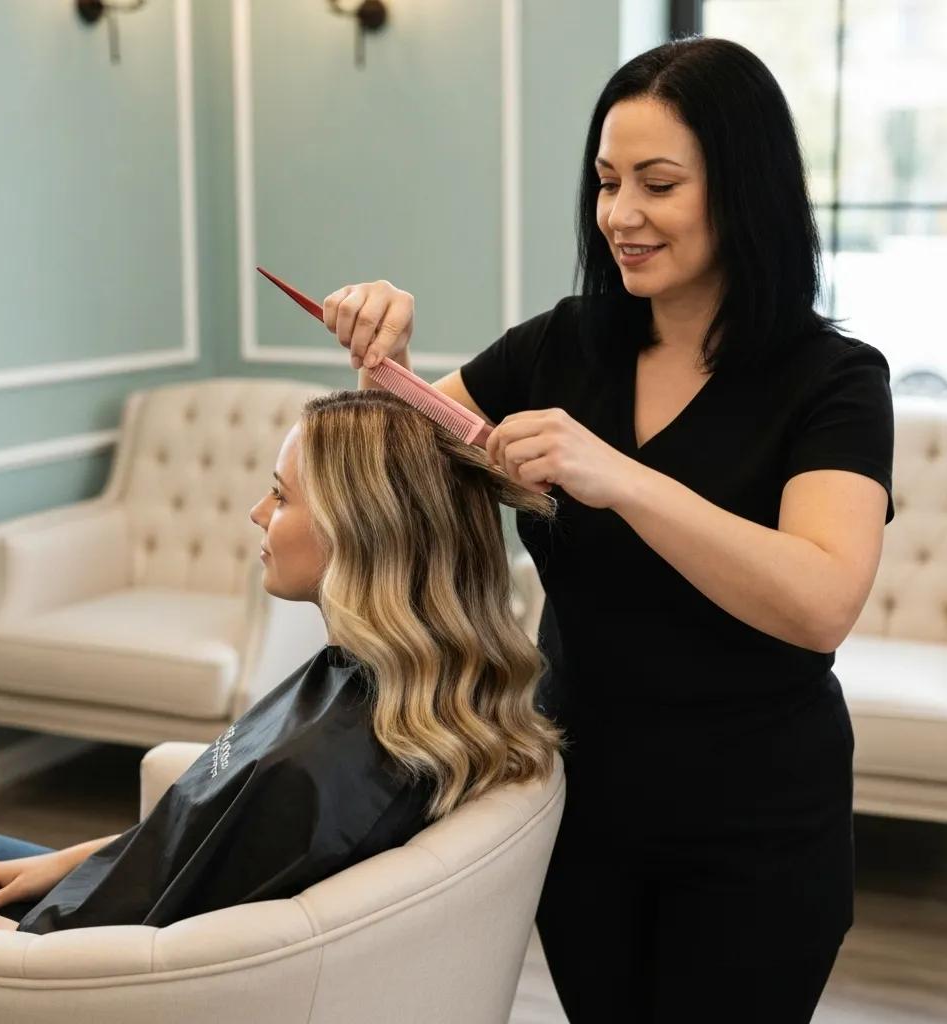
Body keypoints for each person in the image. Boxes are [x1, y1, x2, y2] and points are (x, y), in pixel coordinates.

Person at [319, 36, 895, 1024]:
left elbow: (819, 601)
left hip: (758, 825)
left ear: (744, 188)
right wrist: (391, 369)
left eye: (657, 184)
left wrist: (620, 478)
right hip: (581, 802)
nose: (620, 214)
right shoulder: (564, 342)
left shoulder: (834, 381)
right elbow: (397, 472)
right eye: (606, 181)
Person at [0, 389, 563, 933]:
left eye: (281, 496)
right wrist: (72, 860)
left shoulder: (310, 775)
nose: (257, 512)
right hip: (93, 892)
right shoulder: (406, 694)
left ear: (358, 532)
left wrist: (22, 938)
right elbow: (193, 842)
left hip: (58, 949)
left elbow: (119, 960)